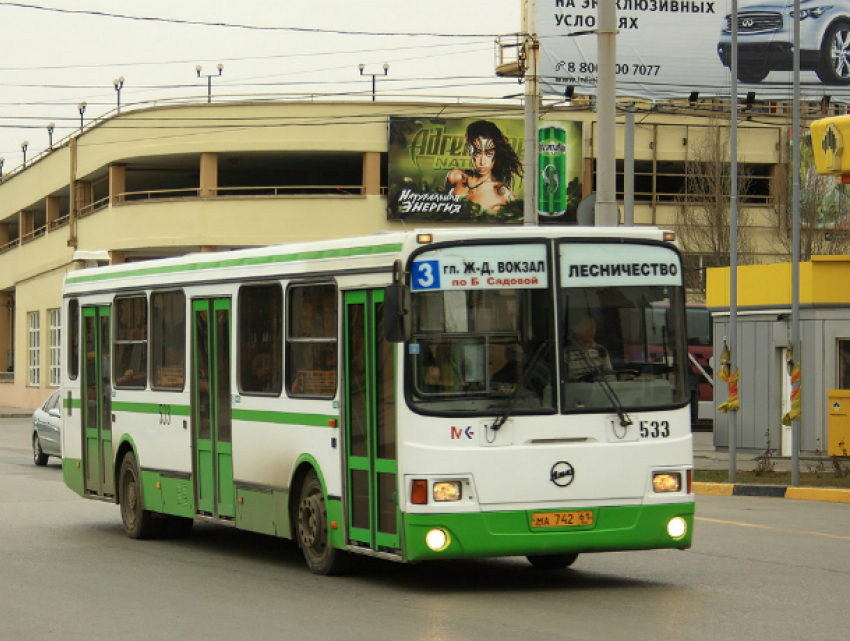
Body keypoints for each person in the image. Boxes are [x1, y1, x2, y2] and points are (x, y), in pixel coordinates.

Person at [445, 120, 523, 214]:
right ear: (469, 150)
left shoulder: (501, 193)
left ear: (496, 153)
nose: (482, 161)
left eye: (489, 154)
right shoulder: (455, 177)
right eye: (477, 153)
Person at [565, 312, 612, 380]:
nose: (591, 331)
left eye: (593, 327)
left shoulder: (601, 350)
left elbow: (610, 375)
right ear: (576, 329)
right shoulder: (566, 354)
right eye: (587, 327)